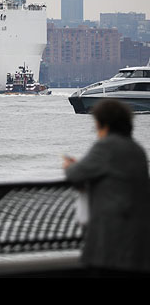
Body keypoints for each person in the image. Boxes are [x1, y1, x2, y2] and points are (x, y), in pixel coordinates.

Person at [63, 99, 150, 276]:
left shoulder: (106, 146)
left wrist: (69, 165)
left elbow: (76, 174)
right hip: (139, 235)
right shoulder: (137, 149)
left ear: (103, 123)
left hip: (112, 235)